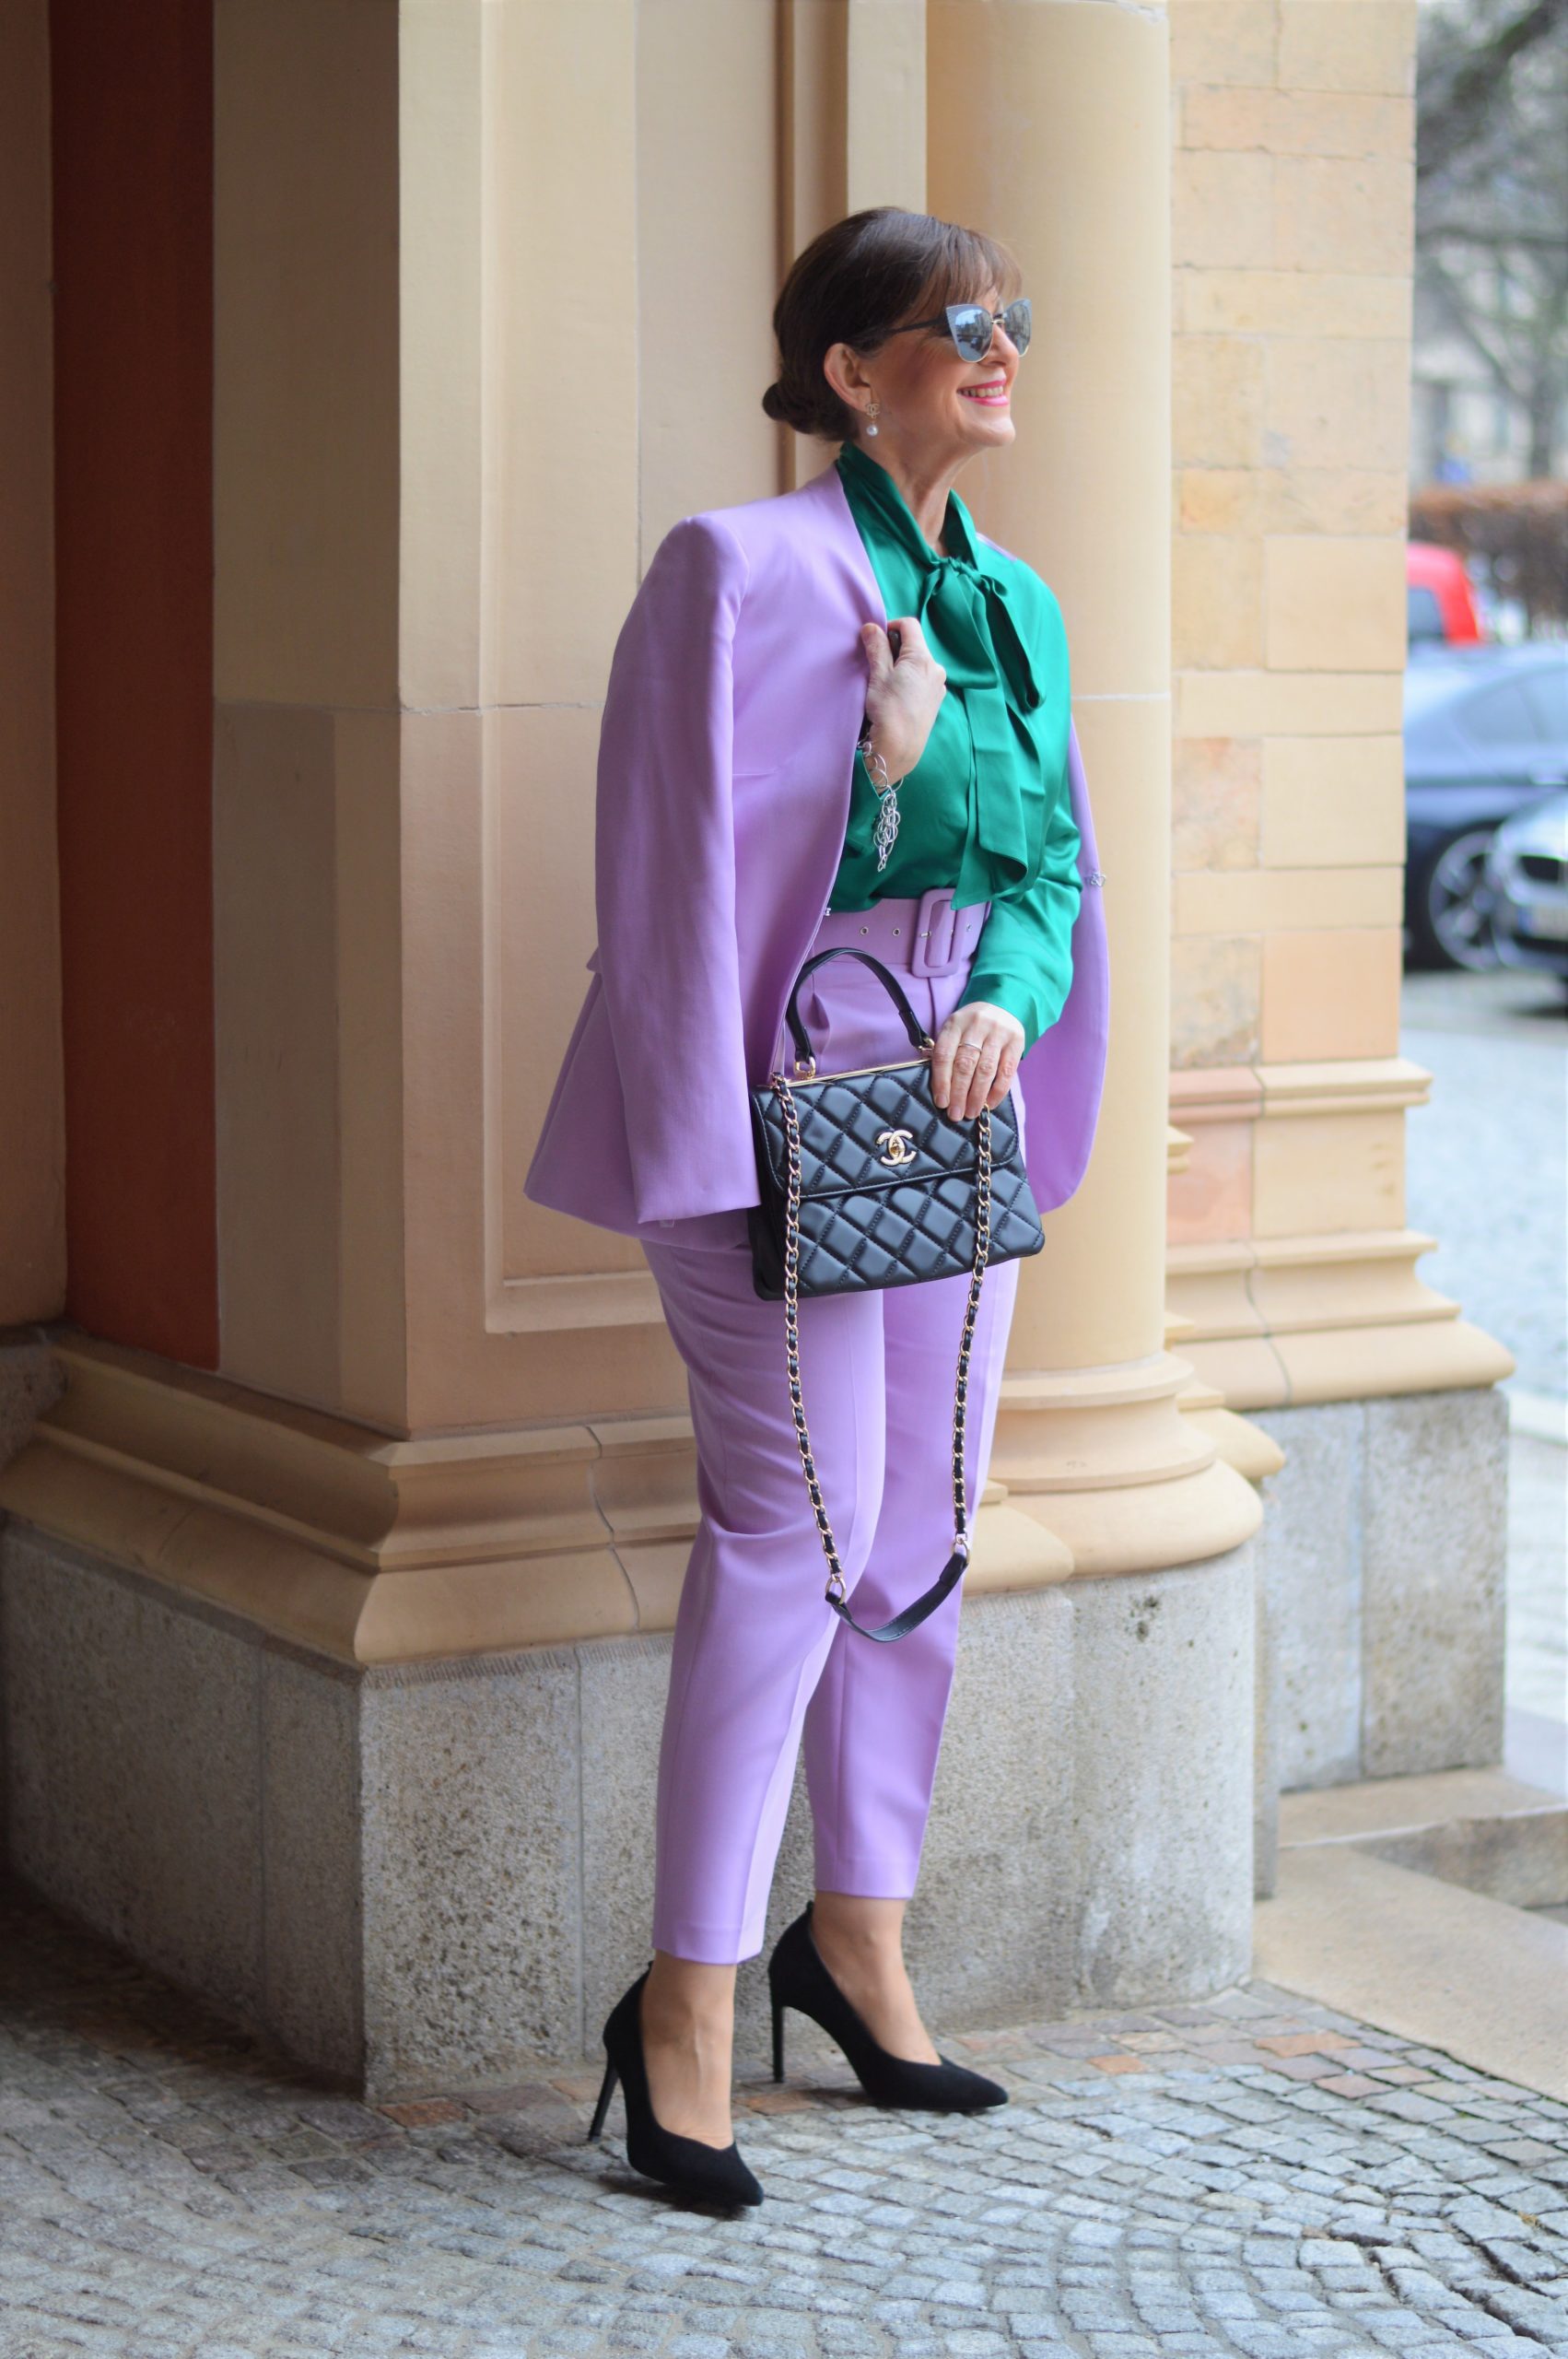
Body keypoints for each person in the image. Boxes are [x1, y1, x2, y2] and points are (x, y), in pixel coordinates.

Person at [524, 205, 1110, 2207]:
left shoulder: (1015, 601)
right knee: (797, 1535)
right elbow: (674, 878)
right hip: (774, 1109)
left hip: (955, 1117)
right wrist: (894, 777)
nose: (1001, 345)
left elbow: (1046, 868)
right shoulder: (735, 568)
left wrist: (1007, 992)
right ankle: (683, 1999)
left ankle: (853, 1941)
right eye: (961, 322)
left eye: (1013, 316)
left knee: (920, 1535)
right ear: (853, 372)